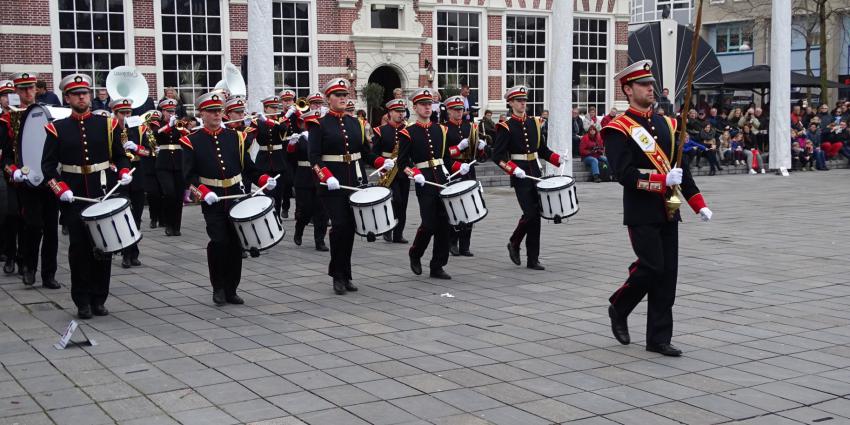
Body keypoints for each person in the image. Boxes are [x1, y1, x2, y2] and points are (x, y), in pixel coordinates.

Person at [602, 60, 712, 357]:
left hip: (671, 206)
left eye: (651, 84)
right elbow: (623, 174)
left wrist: (697, 203)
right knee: (651, 266)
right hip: (641, 209)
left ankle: (659, 338)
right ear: (628, 89)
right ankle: (619, 306)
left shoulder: (668, 123)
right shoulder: (617, 129)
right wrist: (662, 179)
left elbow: (681, 169)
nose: (651, 88)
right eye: (644, 85)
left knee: (668, 275)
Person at [41, 73, 133, 318]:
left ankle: (99, 298)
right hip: (74, 197)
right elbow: (48, 167)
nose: (82, 97)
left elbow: (120, 155)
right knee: (79, 250)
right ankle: (82, 300)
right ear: (68, 98)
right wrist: (60, 188)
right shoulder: (56, 129)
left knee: (104, 247)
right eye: (76, 94)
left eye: (85, 93)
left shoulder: (107, 124)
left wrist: (124, 171)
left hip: (103, 192)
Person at [182, 92, 276, 306]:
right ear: (201, 114)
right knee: (219, 242)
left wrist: (264, 179)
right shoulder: (191, 141)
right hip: (212, 200)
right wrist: (203, 192)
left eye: (218, 111)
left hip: (236, 196)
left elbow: (248, 167)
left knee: (235, 243)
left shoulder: (236, 137)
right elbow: (188, 176)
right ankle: (218, 287)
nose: (216, 114)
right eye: (211, 111)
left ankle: (232, 288)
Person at [307, 78, 378, 295]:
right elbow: (314, 156)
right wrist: (325, 176)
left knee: (349, 230)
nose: (342, 99)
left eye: (345, 95)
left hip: (354, 181)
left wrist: (380, 163)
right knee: (339, 227)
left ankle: (346, 274)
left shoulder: (355, 122)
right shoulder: (318, 124)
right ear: (328, 99)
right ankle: (337, 275)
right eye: (337, 95)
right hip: (332, 185)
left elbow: (365, 152)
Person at [396, 88, 468, 279]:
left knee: (445, 223)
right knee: (428, 223)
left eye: (429, 104)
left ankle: (438, 265)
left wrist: (459, 167)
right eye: (423, 104)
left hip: (442, 179)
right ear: (415, 107)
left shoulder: (441, 130)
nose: (427, 108)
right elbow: (402, 163)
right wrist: (414, 173)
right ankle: (415, 253)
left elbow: (445, 159)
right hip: (424, 180)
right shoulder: (407, 133)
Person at [492, 85, 566, 270]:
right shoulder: (505, 126)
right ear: (510, 103)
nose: (523, 104)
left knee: (537, 216)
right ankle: (515, 242)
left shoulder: (535, 122)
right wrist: (512, 169)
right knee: (530, 214)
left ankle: (533, 258)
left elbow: (542, 150)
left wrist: (558, 159)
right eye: (519, 101)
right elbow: (498, 156)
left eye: (524, 100)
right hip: (520, 174)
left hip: (535, 172)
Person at [4, 73, 61, 289]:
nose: (28, 92)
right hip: (26, 180)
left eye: (31, 88)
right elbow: (5, 157)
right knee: (33, 225)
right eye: (23, 89)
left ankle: (49, 274)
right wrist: (13, 171)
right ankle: (28, 267)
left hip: (49, 178)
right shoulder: (8, 119)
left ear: (36, 89)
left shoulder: (47, 114)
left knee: (51, 229)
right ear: (16, 92)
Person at [110, 98, 153, 268]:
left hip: (137, 175)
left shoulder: (140, 129)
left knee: (136, 216)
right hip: (119, 177)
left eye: (129, 112)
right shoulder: (110, 130)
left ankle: (133, 252)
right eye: (122, 113)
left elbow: (150, 152)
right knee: (123, 216)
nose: (126, 116)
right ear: (115, 114)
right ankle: (125, 254)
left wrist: (137, 148)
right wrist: (113, 166)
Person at [444, 95, 487, 257]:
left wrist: (482, 148)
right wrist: (457, 148)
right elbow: (443, 154)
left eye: (460, 110)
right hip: (454, 170)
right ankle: (452, 241)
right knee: (455, 207)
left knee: (470, 206)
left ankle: (465, 245)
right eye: (455, 110)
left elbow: (480, 156)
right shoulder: (444, 128)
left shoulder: (471, 127)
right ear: (449, 111)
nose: (458, 113)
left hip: (468, 169)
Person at [288, 111, 328, 251]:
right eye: (309, 124)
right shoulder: (299, 138)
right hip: (304, 176)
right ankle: (299, 230)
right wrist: (291, 145)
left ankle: (320, 240)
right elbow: (290, 159)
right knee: (305, 209)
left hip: (320, 175)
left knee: (321, 210)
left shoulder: (322, 137)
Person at [371, 99, 410, 244]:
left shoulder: (408, 130)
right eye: (397, 111)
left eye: (402, 111)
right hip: (387, 170)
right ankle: (388, 228)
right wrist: (381, 164)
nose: (401, 114)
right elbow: (374, 153)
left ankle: (398, 234)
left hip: (403, 169)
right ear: (390, 113)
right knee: (395, 200)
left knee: (403, 203)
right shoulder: (381, 130)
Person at [154, 98, 188, 236]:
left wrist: (179, 127)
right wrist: (169, 125)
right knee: (169, 193)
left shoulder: (179, 124)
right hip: (164, 163)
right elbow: (156, 135)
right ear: (162, 111)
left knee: (179, 195)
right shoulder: (157, 123)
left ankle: (176, 226)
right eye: (168, 111)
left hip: (179, 163)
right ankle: (168, 224)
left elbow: (188, 136)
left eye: (173, 111)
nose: (170, 114)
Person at [251, 95, 289, 218]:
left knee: (278, 193)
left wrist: (269, 121)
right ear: (265, 108)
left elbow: (284, 129)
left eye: (276, 107)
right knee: (266, 192)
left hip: (278, 160)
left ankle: (277, 216)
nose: (275, 110)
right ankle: (267, 216)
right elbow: (249, 136)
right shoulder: (257, 121)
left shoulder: (280, 120)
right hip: (264, 160)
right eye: (272, 108)